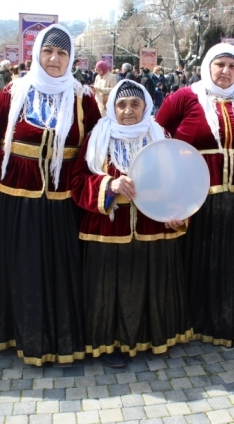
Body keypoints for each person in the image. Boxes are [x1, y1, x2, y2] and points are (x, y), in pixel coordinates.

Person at [0, 24, 101, 366]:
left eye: (62, 53)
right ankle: (13, 334)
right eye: (48, 51)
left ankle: (58, 337)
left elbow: (96, 150)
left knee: (59, 269)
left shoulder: (83, 99)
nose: (54, 59)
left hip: (62, 203)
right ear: (36, 54)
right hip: (14, 199)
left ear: (70, 59)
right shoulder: (13, 93)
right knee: (19, 266)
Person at [156, 43, 234, 346]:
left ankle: (230, 321)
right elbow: (157, 136)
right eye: (220, 64)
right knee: (198, 258)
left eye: (232, 67)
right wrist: (172, 184)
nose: (225, 71)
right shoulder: (184, 98)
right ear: (207, 66)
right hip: (198, 198)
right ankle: (191, 322)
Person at [71, 80, 191, 368]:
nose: (128, 110)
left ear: (145, 106)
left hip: (153, 227)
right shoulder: (95, 138)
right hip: (107, 230)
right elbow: (76, 182)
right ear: (112, 107)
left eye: (135, 104)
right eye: (121, 104)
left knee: (152, 284)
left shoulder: (161, 136)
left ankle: (153, 337)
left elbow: (179, 179)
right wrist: (109, 184)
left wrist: (180, 210)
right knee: (112, 288)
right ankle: (109, 344)